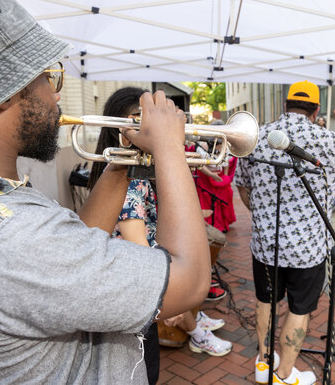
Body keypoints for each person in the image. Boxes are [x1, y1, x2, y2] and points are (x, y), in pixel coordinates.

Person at [0, 0, 211, 383]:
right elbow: (190, 280)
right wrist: (169, 149)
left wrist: (124, 161)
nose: (56, 93)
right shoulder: (12, 237)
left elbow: (82, 244)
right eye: (48, 75)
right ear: (4, 88)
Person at [87, 88, 232, 381]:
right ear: (127, 125)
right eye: (147, 118)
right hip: (137, 290)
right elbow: (138, 245)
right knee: (145, 369)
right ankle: (196, 332)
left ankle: (195, 325)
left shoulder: (125, 173)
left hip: (139, 286)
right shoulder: (127, 181)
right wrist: (167, 300)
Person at [235, 81, 335, 385]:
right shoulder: (328, 139)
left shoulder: (257, 136)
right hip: (307, 250)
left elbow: (242, 184)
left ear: (285, 104)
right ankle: (283, 376)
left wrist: (263, 216)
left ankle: (264, 363)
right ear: (316, 109)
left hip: (266, 245)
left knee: (265, 301)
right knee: (300, 309)